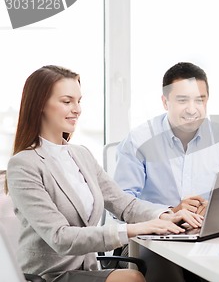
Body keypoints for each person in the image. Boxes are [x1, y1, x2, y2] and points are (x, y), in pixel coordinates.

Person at [6, 65, 203, 282]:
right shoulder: (23, 165)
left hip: (87, 269)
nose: (77, 109)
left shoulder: (81, 155)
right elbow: (59, 237)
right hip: (49, 276)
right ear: (40, 104)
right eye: (67, 101)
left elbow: (124, 204)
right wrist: (134, 229)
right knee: (133, 279)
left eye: (79, 101)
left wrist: (167, 216)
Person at [114, 62, 219, 217]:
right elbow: (121, 204)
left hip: (209, 236)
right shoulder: (139, 140)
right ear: (165, 102)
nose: (192, 109)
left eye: (200, 100)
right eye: (182, 100)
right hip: (157, 235)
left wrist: (215, 210)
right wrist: (169, 212)